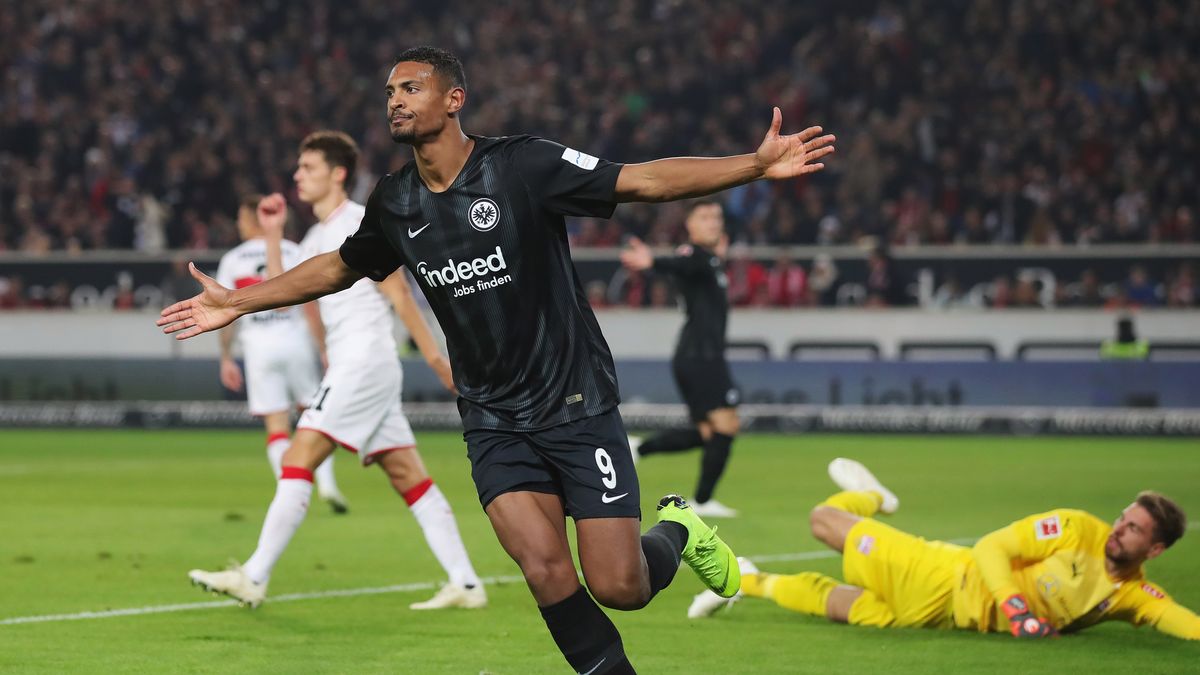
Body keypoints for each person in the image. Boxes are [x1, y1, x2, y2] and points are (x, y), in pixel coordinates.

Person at [159, 46, 835, 673]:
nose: (394, 100)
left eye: (411, 87)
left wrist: (751, 164)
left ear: (454, 99)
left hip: (574, 400)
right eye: (389, 91)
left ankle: (679, 528)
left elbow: (642, 181)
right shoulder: (396, 201)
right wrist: (239, 302)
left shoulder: (521, 165)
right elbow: (339, 266)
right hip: (493, 418)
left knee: (620, 585)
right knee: (544, 570)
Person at [186, 130, 486, 612]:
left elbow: (399, 295)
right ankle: (467, 583)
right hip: (354, 364)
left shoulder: (360, 223)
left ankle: (255, 575)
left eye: (308, 168)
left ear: (338, 173)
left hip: (364, 361)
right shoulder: (313, 237)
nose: (297, 176)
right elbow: (291, 290)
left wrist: (434, 358)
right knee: (408, 473)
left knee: (298, 456)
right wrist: (272, 233)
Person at [689, 459, 1199, 641]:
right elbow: (994, 547)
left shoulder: (1131, 596)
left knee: (838, 606)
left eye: (1132, 531)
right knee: (823, 521)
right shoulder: (1075, 528)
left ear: (1152, 550)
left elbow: (1178, 619)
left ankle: (745, 579)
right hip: (939, 573)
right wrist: (1015, 606)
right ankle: (874, 498)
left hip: (939, 618)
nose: (1118, 529)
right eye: (1123, 518)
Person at [214, 194, 346, 512]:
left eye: (241, 219)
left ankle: (289, 494)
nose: (238, 224)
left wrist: (226, 357)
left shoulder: (233, 260)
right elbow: (311, 304)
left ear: (252, 220)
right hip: (296, 341)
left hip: (259, 346)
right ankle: (327, 483)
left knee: (276, 426)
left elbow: (225, 314)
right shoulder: (295, 250)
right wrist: (323, 348)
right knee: (313, 417)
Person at [620, 201, 743, 518]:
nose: (713, 222)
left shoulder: (710, 260)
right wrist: (653, 264)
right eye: (704, 217)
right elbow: (681, 264)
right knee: (727, 425)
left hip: (697, 356)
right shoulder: (694, 255)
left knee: (707, 434)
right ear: (689, 224)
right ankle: (702, 500)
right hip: (700, 357)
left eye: (716, 216)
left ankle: (638, 448)